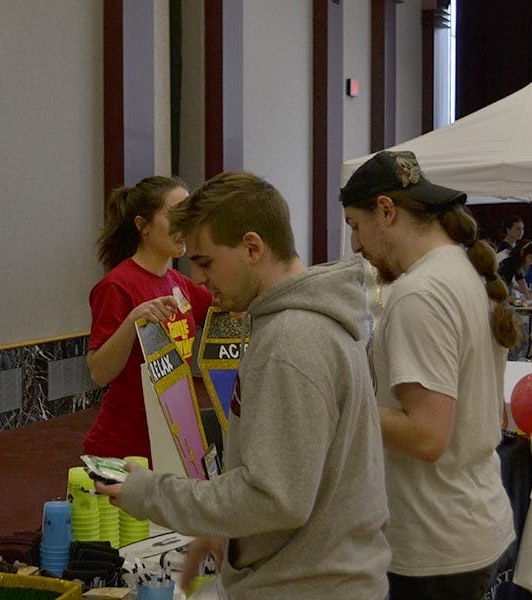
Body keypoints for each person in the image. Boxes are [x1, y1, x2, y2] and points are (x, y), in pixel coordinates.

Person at [96, 171, 391, 599]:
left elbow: (275, 498)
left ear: (252, 248)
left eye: (206, 262)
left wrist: (151, 493)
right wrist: (229, 533)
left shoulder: (290, 342)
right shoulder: (298, 327)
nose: (198, 278)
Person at [340, 150, 521, 599]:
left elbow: (427, 436)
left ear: (386, 211)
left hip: (435, 544)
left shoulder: (418, 294)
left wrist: (340, 402)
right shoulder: (465, 272)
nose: (356, 246)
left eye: (355, 226)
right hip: (470, 523)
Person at [84, 176, 212, 466]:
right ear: (143, 226)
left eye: (188, 215)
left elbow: (229, 306)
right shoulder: (116, 286)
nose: (184, 226)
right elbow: (99, 373)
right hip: (123, 446)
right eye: (174, 216)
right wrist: (134, 320)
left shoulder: (181, 284)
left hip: (174, 440)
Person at [498, 238, 532, 303]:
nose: (531, 261)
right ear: (522, 253)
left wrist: (526, 292)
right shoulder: (509, 261)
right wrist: (528, 299)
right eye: (530, 257)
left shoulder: (514, 259)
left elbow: (520, 280)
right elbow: (520, 281)